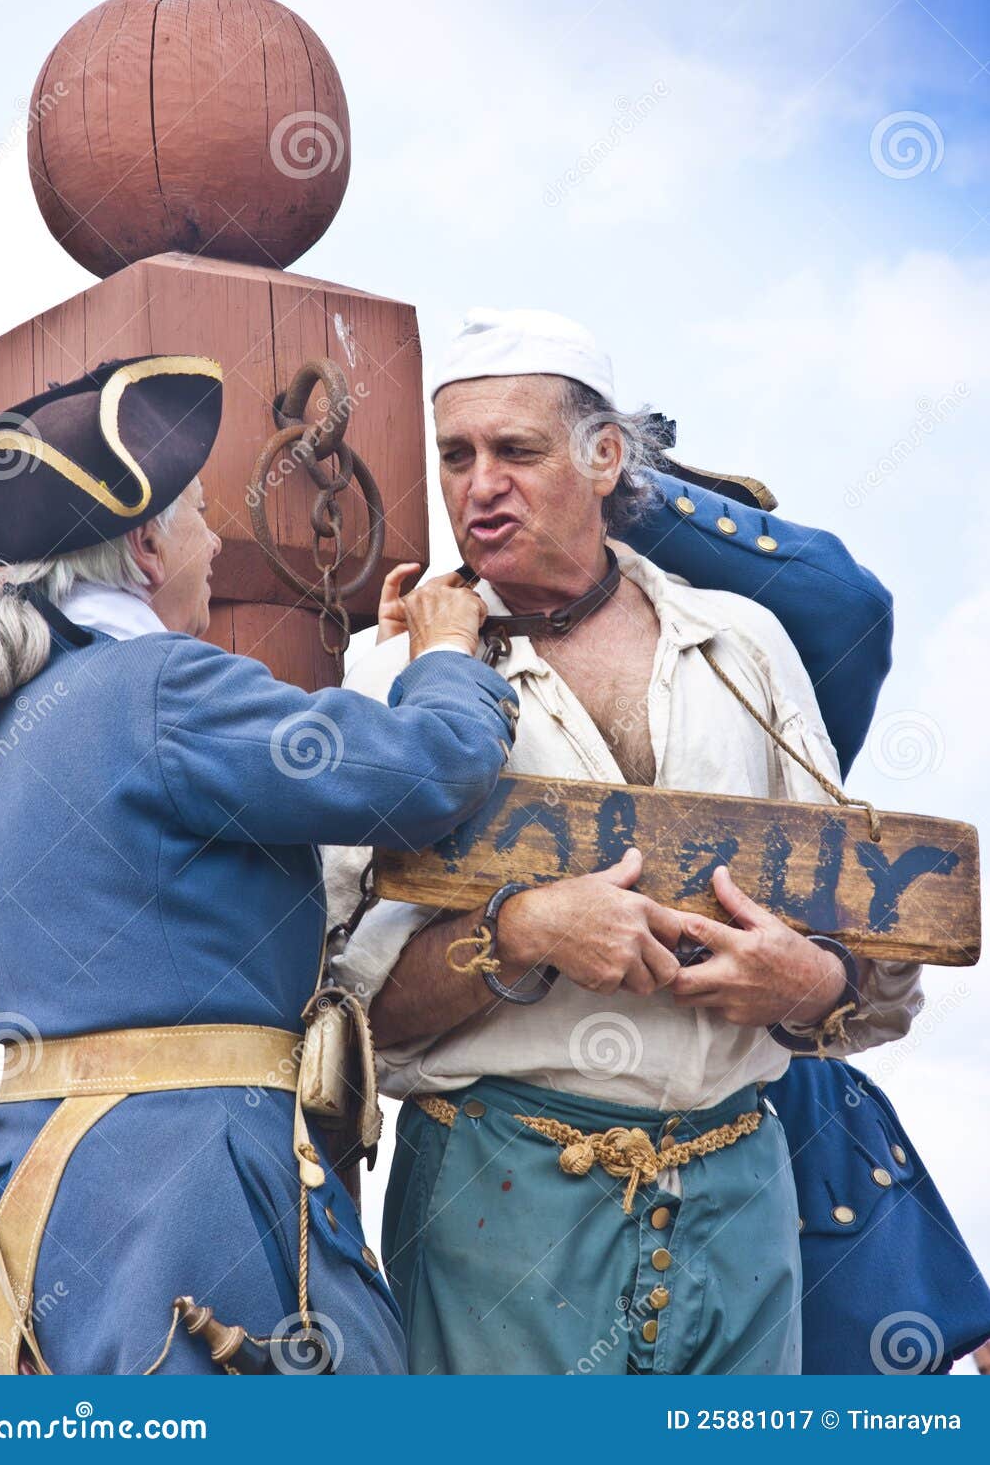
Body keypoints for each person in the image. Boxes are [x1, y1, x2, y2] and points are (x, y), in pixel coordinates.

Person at [324, 308, 924, 1376]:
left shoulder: (744, 646)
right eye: (455, 456)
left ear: (606, 459)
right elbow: (330, 1004)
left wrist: (804, 978)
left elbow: (866, 941)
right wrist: (516, 932)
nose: (478, 485)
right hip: (492, 1210)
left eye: (515, 450)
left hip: (741, 1198)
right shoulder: (389, 682)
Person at [0, 352, 518, 1375]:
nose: (218, 541)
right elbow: (427, 772)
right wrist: (449, 657)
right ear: (147, 547)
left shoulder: (6, 723)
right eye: (200, 513)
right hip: (194, 1197)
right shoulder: (158, 685)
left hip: (36, 1197)